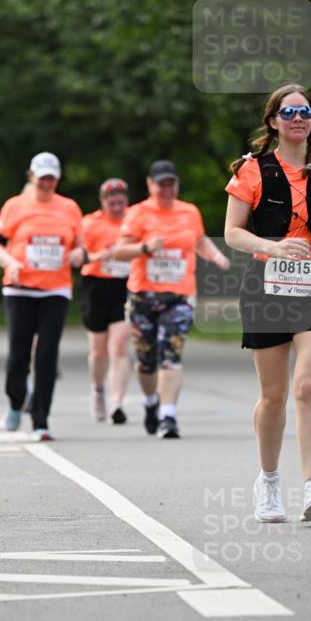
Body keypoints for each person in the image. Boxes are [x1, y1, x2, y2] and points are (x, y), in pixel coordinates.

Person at [224, 83, 311, 523]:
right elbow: (233, 231)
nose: (297, 118)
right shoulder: (252, 170)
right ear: (273, 121)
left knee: (307, 387)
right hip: (267, 284)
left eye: (304, 111)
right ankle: (269, 481)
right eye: (288, 111)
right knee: (272, 397)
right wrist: (272, 247)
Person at [113, 160, 230, 439]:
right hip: (143, 295)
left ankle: (168, 416)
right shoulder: (138, 213)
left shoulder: (189, 212)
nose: (167, 189)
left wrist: (215, 256)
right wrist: (144, 247)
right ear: (150, 185)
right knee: (146, 360)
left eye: (171, 183)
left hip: (179, 296)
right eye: (161, 184)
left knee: (171, 354)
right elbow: (119, 252)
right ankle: (151, 402)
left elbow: (199, 241)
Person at [0, 152, 85, 441]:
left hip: (55, 290)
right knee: (18, 355)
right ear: (31, 176)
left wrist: (80, 254)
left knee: (46, 355)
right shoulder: (14, 206)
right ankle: (16, 402)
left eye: (51, 178)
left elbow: (80, 246)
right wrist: (10, 263)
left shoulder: (69, 208)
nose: (46, 183)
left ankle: (41, 419)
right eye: (41, 177)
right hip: (19, 289)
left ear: (57, 179)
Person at [80, 178, 132, 424]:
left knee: (119, 347)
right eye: (112, 203)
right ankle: (98, 389)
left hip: (125, 286)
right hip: (96, 286)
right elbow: (78, 256)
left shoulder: (134, 220)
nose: (117, 207)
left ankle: (117, 402)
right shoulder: (90, 224)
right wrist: (103, 254)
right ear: (103, 202)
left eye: (121, 202)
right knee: (99, 352)